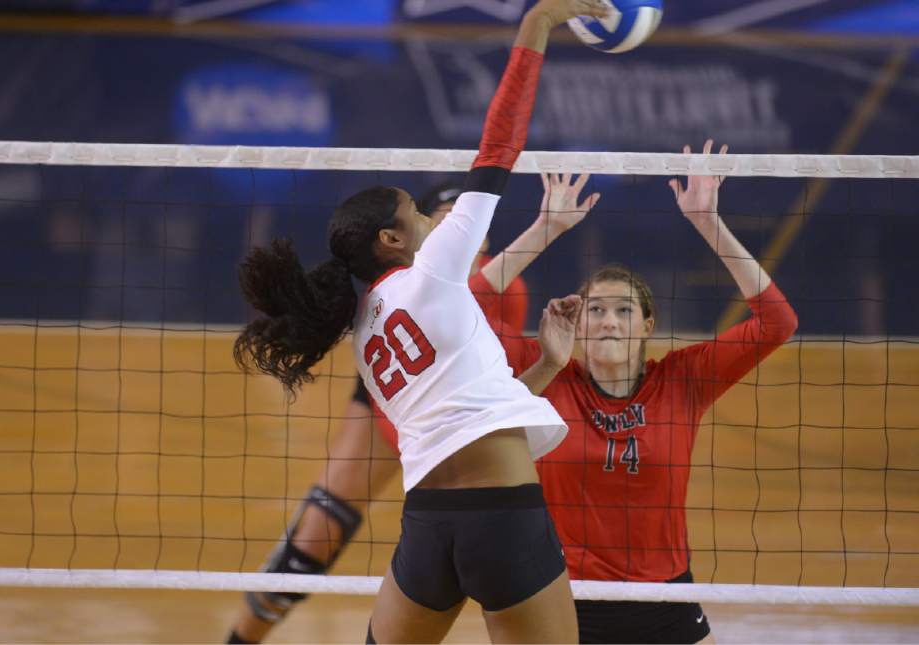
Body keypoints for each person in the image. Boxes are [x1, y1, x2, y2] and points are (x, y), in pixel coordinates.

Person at [232, 2, 612, 642]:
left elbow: (464, 409)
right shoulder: (436, 269)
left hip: (430, 526)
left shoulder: (365, 334)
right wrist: (535, 27)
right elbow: (499, 146)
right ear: (392, 238)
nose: (436, 220)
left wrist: (547, 362)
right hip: (505, 518)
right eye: (419, 213)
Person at [226, 173, 598, 644]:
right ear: (398, 240)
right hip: (415, 415)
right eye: (434, 219)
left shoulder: (500, 292)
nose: (447, 229)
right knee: (321, 525)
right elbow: (470, 287)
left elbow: (494, 399)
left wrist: (548, 363)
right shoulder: (425, 283)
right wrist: (546, 229)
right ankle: (242, 637)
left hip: (453, 428)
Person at [501, 141, 799, 644]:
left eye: (623, 310)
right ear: (576, 323)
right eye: (595, 310)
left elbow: (777, 323)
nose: (609, 322)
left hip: (666, 595)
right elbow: (471, 302)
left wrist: (708, 223)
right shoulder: (548, 374)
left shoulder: (682, 380)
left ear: (648, 325)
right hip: (565, 596)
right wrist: (544, 230)